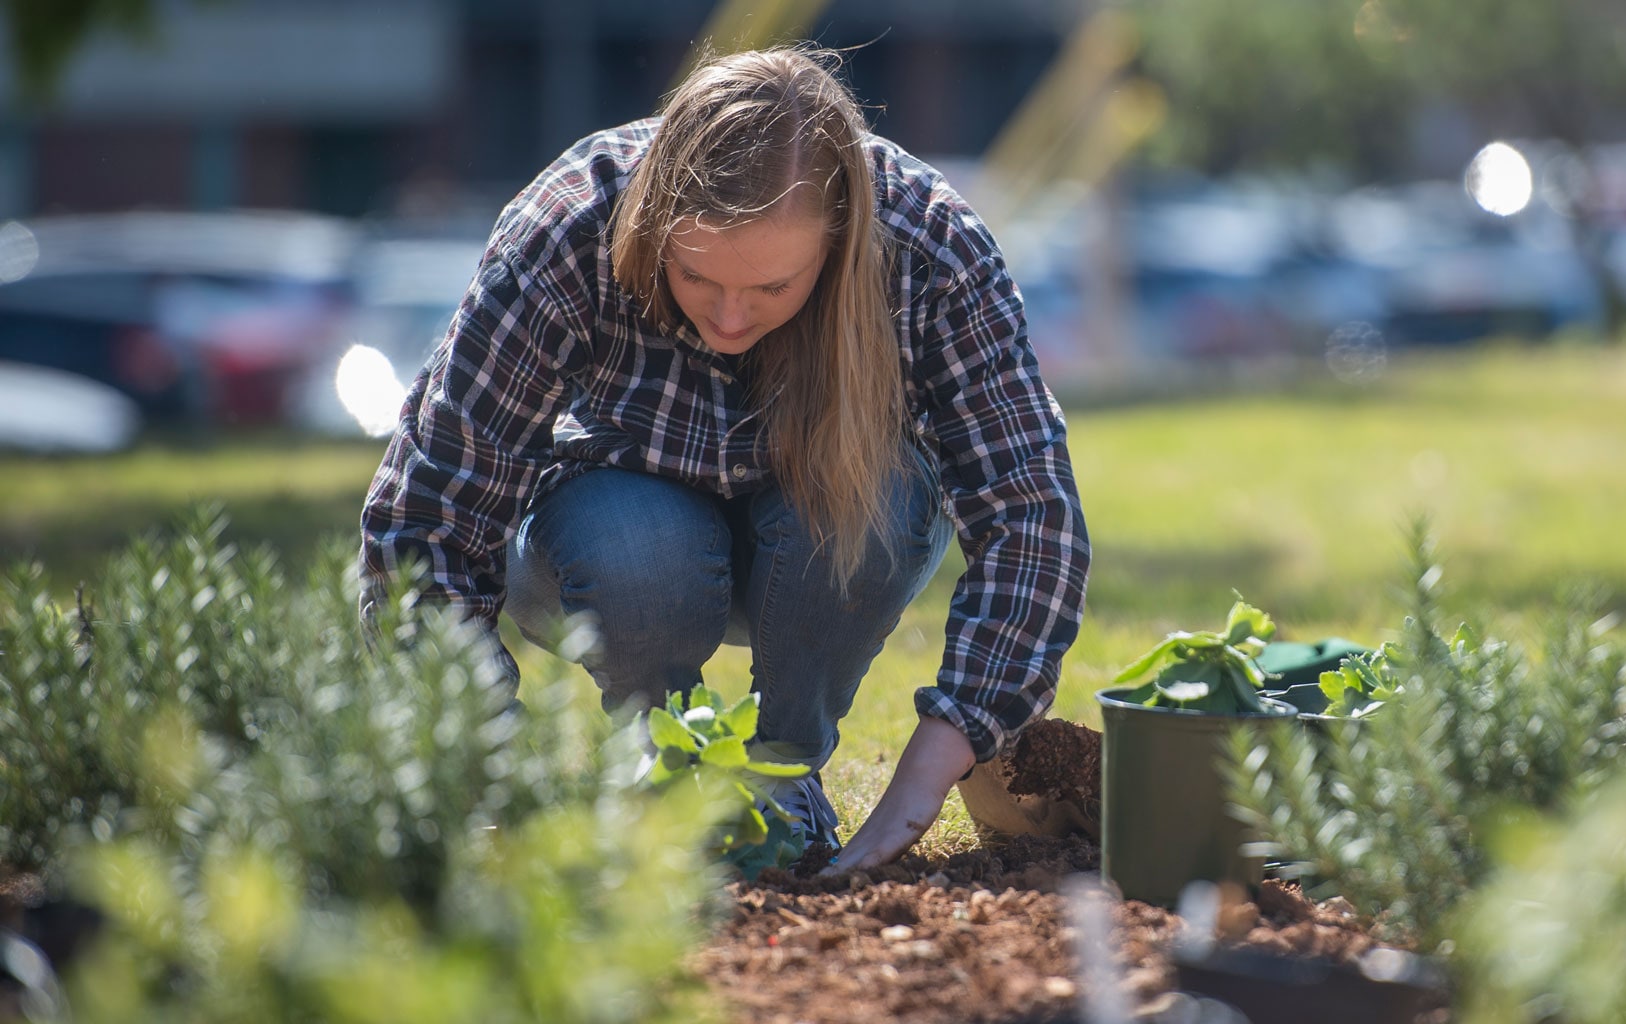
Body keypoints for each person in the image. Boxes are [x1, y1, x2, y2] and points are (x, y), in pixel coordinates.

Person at [358, 46, 1090, 874]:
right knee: (639, 548)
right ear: (652, 222)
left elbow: (1032, 513)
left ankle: (782, 774)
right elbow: (428, 522)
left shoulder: (929, 248)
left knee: (880, 499)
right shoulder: (566, 230)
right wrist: (476, 766)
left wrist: (936, 760)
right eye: (697, 275)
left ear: (838, 240)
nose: (732, 318)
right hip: (607, 549)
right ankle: (664, 761)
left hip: (831, 547)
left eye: (774, 287)